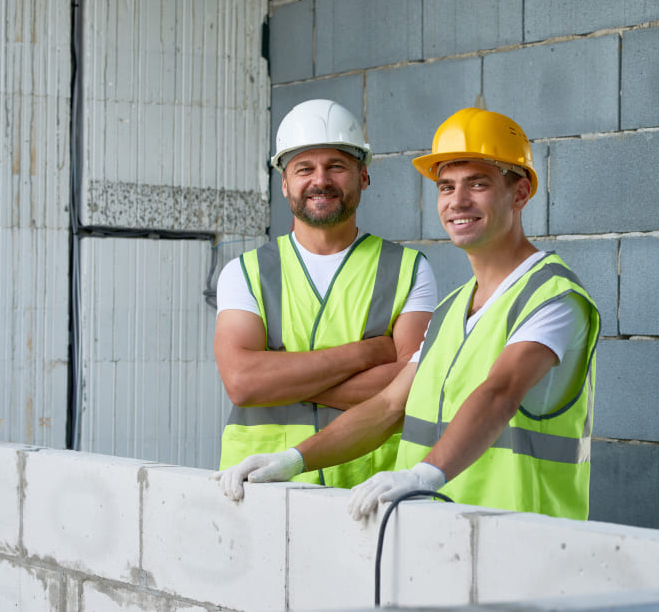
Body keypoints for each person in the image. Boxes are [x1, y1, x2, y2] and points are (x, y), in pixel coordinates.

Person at [214, 107, 599, 521]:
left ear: (520, 194)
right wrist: (292, 461)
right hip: (440, 530)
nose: (458, 201)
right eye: (446, 187)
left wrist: (424, 475)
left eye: (478, 184)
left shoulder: (553, 297)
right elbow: (388, 407)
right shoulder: (453, 308)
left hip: (520, 538)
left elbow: (500, 393)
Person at [211, 99, 437, 489]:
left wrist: (283, 381)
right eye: (304, 168)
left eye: (336, 166)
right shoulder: (244, 273)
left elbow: (412, 385)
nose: (321, 180)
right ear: (284, 183)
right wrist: (366, 353)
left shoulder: (408, 269)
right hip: (261, 487)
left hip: (365, 487)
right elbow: (243, 383)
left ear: (363, 176)